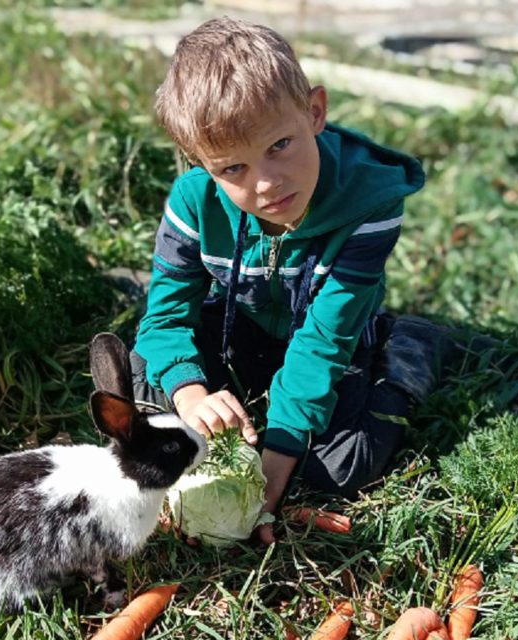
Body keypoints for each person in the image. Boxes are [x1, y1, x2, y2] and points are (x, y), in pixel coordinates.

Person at [129, 17, 455, 544]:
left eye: (280, 144)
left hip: (330, 334)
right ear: (201, 164)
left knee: (343, 466)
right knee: (142, 369)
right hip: (245, 327)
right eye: (232, 168)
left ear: (315, 111)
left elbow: (324, 341)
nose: (265, 183)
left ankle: (410, 348)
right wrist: (191, 395)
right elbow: (165, 317)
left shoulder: (370, 204)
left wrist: (276, 461)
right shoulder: (194, 202)